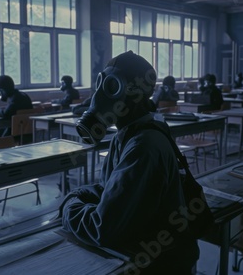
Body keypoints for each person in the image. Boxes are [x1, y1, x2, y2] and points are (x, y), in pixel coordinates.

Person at [60, 51, 199, 274]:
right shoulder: (127, 135)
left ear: (136, 94)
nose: (100, 97)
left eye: (112, 87)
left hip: (160, 264)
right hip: (140, 250)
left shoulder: (144, 146)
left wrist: (68, 207)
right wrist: (77, 196)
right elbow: (111, 191)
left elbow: (101, 229)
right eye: (101, 83)